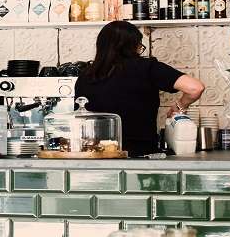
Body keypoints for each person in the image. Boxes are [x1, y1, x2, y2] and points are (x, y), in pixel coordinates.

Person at [74, 21, 205, 157]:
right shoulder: (147, 67)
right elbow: (195, 88)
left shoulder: (85, 76)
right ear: (132, 46)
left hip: (95, 159)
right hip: (141, 158)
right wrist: (179, 106)